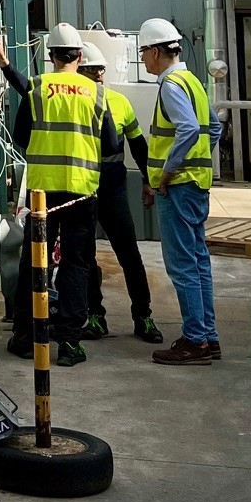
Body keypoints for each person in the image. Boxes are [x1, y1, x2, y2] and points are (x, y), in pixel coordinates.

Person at [1, 21, 105, 368]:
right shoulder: (97, 93)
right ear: (78, 55)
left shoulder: (36, 88)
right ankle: (71, 343)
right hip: (82, 192)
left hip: (43, 194)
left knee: (35, 263)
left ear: (51, 57)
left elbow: (19, 137)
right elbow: (112, 145)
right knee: (77, 264)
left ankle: (26, 336)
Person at [138, 18, 223, 367]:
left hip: (178, 186)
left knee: (182, 264)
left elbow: (188, 128)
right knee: (198, 260)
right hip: (197, 184)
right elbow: (213, 128)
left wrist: (170, 170)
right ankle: (208, 336)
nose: (142, 58)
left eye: (143, 51)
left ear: (156, 51)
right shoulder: (192, 81)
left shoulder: (171, 85)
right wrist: (198, 161)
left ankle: (195, 341)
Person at [75, 42, 163, 344]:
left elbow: (138, 145)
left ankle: (139, 315)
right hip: (89, 189)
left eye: (99, 70)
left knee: (122, 255)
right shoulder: (76, 102)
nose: (98, 75)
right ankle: (103, 317)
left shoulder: (117, 102)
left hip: (103, 189)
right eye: (94, 70)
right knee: (92, 257)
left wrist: (149, 180)